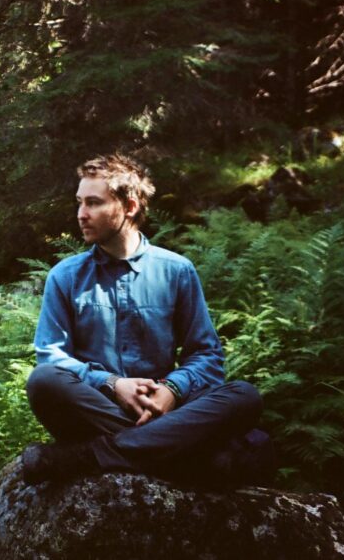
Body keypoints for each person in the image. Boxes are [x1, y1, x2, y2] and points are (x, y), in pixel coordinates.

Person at [22, 154, 266, 486]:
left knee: (245, 396)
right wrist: (111, 383)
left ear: (130, 207)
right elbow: (51, 356)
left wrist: (172, 390)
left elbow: (207, 356)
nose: (81, 214)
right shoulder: (65, 276)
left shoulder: (176, 271)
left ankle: (91, 456)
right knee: (44, 381)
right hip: (99, 409)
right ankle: (183, 453)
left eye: (93, 203)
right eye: (79, 203)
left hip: (167, 409)